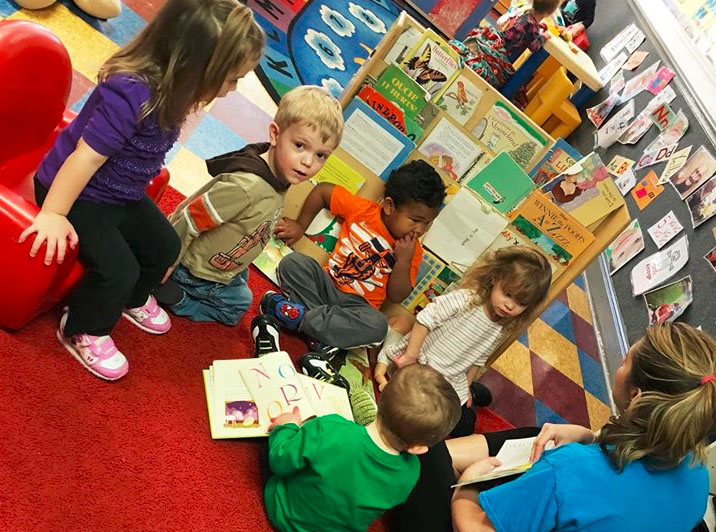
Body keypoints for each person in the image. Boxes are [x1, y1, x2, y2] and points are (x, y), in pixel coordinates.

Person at [390, 322, 715, 532]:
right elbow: (620, 482)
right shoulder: (698, 478)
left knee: (423, 445)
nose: (621, 364)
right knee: (540, 437)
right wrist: (587, 436)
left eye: (626, 359)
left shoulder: (572, 470)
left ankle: (441, 460)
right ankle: (458, 460)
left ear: (637, 396)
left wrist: (466, 487)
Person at [18, 0, 265, 381]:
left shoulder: (176, 91)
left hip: (119, 191)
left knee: (165, 245)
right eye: (230, 79)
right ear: (195, 67)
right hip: (78, 192)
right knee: (119, 268)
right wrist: (53, 212)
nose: (231, 90)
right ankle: (83, 326)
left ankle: (132, 299)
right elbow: (85, 159)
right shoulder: (130, 93)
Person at [155, 86, 343, 327]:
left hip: (224, 261)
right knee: (238, 306)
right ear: (275, 134)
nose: (308, 162)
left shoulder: (279, 172)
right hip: (194, 269)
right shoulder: (247, 186)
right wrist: (168, 262)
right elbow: (191, 217)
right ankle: (178, 296)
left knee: (241, 280)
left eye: (321, 155)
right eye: (299, 146)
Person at [262, 363, 461, 532]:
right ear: (418, 448)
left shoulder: (331, 429)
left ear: (378, 400)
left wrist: (286, 427)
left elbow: (279, 460)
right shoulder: (411, 472)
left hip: (283, 512)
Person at [262, 159, 446, 350]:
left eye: (428, 223)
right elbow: (323, 191)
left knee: (378, 326)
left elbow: (396, 295)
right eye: (415, 220)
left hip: (356, 308)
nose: (420, 229)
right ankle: (320, 332)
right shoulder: (363, 210)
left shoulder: (413, 251)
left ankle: (304, 320)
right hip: (327, 284)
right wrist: (301, 225)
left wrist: (403, 260)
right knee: (293, 262)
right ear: (389, 206)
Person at [375, 246, 552, 437]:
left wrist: (466, 387)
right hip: (422, 363)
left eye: (521, 303)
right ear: (494, 278)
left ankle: (473, 393)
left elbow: (478, 359)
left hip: (451, 377)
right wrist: (411, 355)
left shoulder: (502, 325)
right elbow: (424, 320)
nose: (510, 305)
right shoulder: (466, 300)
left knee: (464, 424)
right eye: (508, 294)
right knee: (414, 408)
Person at [450, 0, 563, 91]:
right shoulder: (533, 28)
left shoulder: (528, 13)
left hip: (501, 39)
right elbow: (534, 46)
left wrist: (539, 27)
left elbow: (526, 29)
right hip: (505, 50)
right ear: (549, 13)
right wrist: (544, 37)